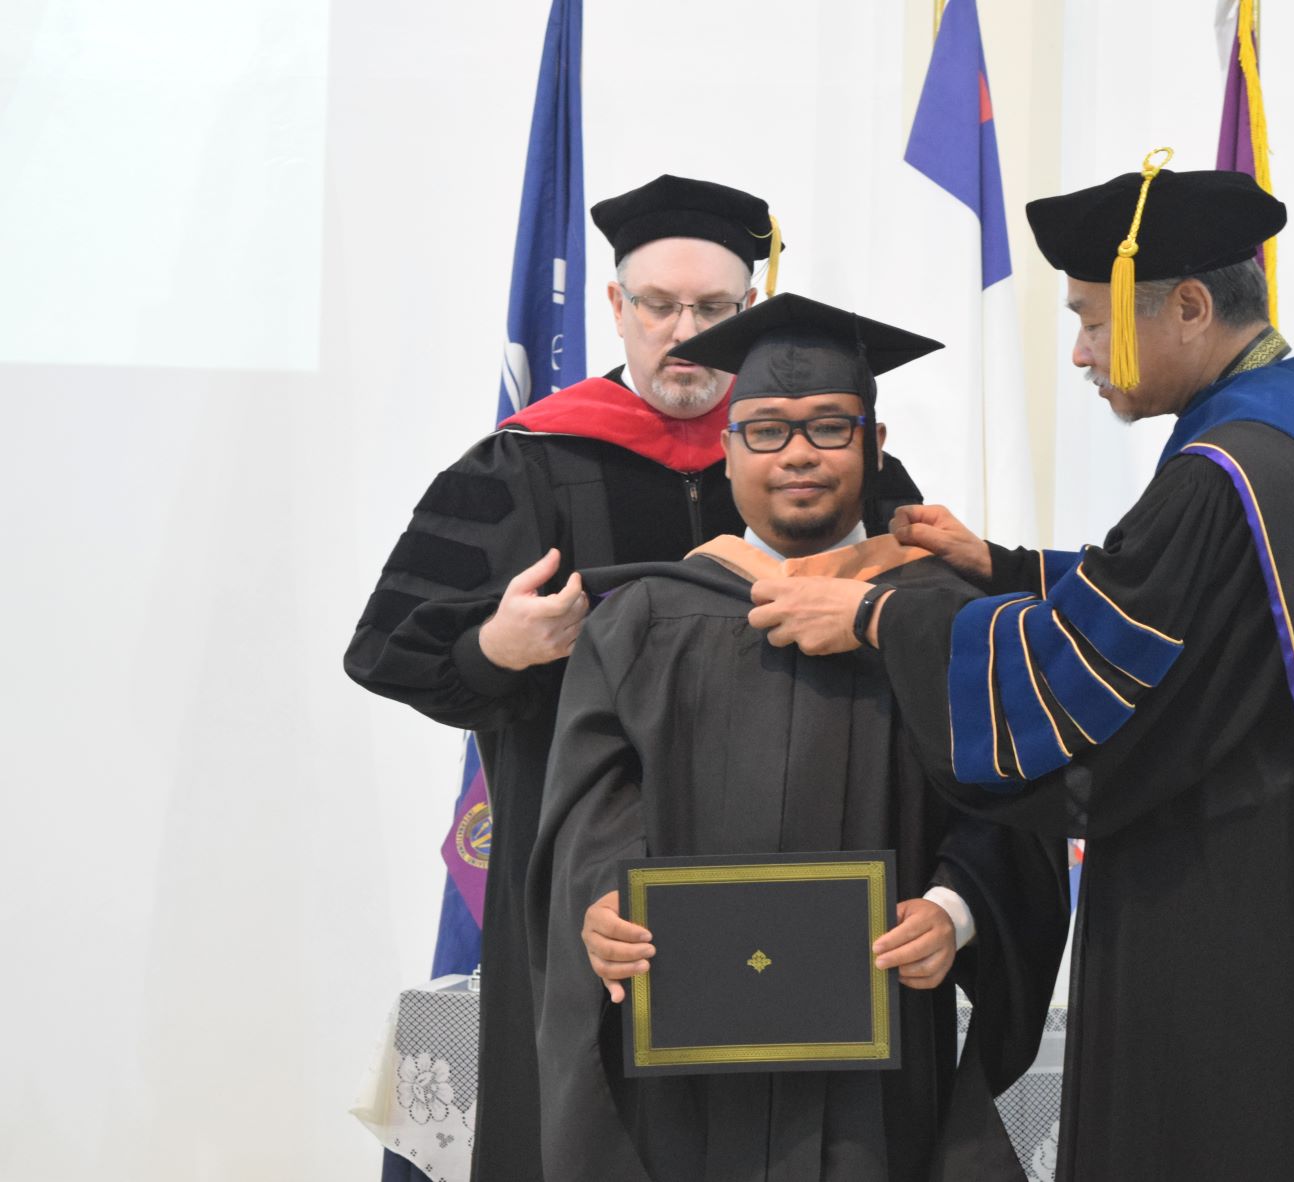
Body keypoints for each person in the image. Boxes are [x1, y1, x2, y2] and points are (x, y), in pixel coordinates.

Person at [746, 163, 1294, 1180]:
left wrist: (880, 613)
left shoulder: (1224, 475)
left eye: (1093, 321)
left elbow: (1070, 681)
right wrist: (1007, 568)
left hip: (1246, 936)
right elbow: (1203, 618)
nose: (1080, 352)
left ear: (1191, 308)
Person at [343, 177, 922, 1181]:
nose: (684, 332)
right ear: (617, 307)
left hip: (804, 863)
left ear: (750, 315)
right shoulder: (526, 464)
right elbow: (384, 647)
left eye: (714, 310)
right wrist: (498, 649)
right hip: (592, 861)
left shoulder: (820, 464)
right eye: (659, 305)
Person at [526, 294, 1069, 1182]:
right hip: (687, 1053)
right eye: (767, 430)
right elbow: (591, 805)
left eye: (828, 426)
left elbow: (1011, 805)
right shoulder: (646, 621)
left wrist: (954, 911)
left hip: (881, 1061)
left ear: (874, 442)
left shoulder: (942, 614)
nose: (799, 455)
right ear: (727, 449)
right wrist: (600, 903)